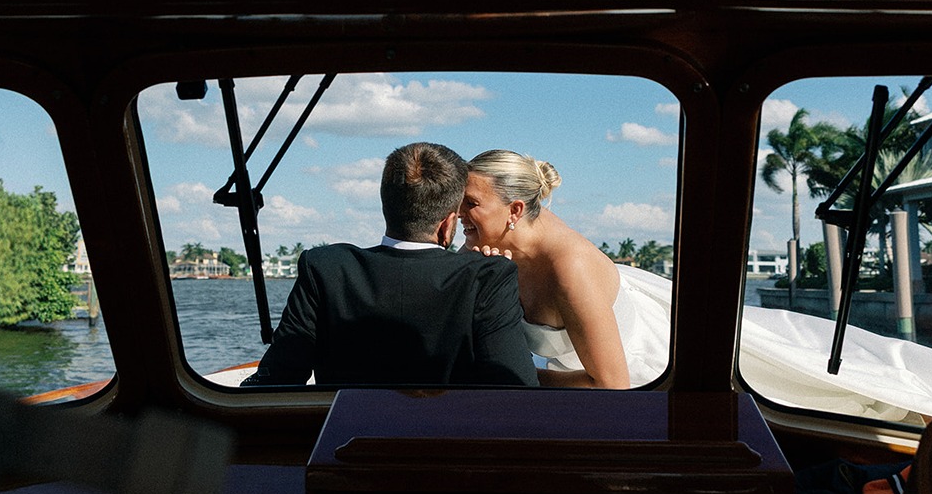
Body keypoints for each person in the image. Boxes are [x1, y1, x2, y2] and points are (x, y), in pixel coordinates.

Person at [245, 142, 538, 387]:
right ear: (448, 223)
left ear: (386, 206)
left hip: (345, 445)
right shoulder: (488, 276)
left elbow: (278, 379)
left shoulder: (324, 267)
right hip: (447, 447)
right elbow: (516, 387)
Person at [460, 149, 672, 389]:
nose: (458, 212)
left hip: (631, 374)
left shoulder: (570, 268)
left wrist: (519, 377)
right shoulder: (487, 241)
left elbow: (612, 385)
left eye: (471, 203)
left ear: (515, 210)